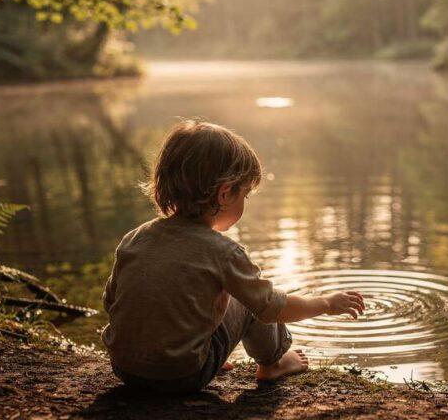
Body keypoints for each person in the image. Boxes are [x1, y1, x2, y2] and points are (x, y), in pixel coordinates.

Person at [102, 119, 365, 392]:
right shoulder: (223, 253)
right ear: (225, 193)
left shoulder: (134, 239)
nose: (244, 203)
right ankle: (273, 364)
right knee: (250, 300)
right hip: (181, 375)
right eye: (245, 196)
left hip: (124, 369)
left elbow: (112, 302)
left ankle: (201, 349)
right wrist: (325, 303)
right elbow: (272, 307)